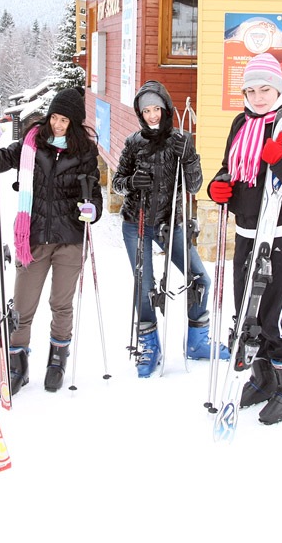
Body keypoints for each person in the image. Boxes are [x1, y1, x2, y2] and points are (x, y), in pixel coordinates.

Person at [207, 52, 282, 425]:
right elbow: (230, 169)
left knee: (276, 319)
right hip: (246, 234)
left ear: (279, 88)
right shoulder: (241, 123)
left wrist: (281, 160)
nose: (258, 98)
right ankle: (264, 378)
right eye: (251, 91)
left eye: (265, 90)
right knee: (248, 316)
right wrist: (219, 187)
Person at [0, 86, 102, 394]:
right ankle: (17, 364)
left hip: (70, 239)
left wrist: (92, 209)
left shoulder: (85, 152)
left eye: (65, 120)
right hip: (33, 238)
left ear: (74, 123)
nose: (58, 125)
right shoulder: (31, 144)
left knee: (61, 304)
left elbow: (95, 194)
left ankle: (57, 360)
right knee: (22, 306)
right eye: (55, 118)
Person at [111, 80, 229, 377]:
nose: (152, 115)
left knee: (200, 279)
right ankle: (149, 345)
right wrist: (131, 183)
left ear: (166, 109)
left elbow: (195, 185)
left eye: (156, 109)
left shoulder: (182, 139)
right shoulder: (133, 142)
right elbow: (117, 183)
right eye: (146, 111)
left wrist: (188, 157)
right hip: (136, 223)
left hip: (170, 224)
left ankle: (198, 341)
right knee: (145, 286)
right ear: (140, 114)